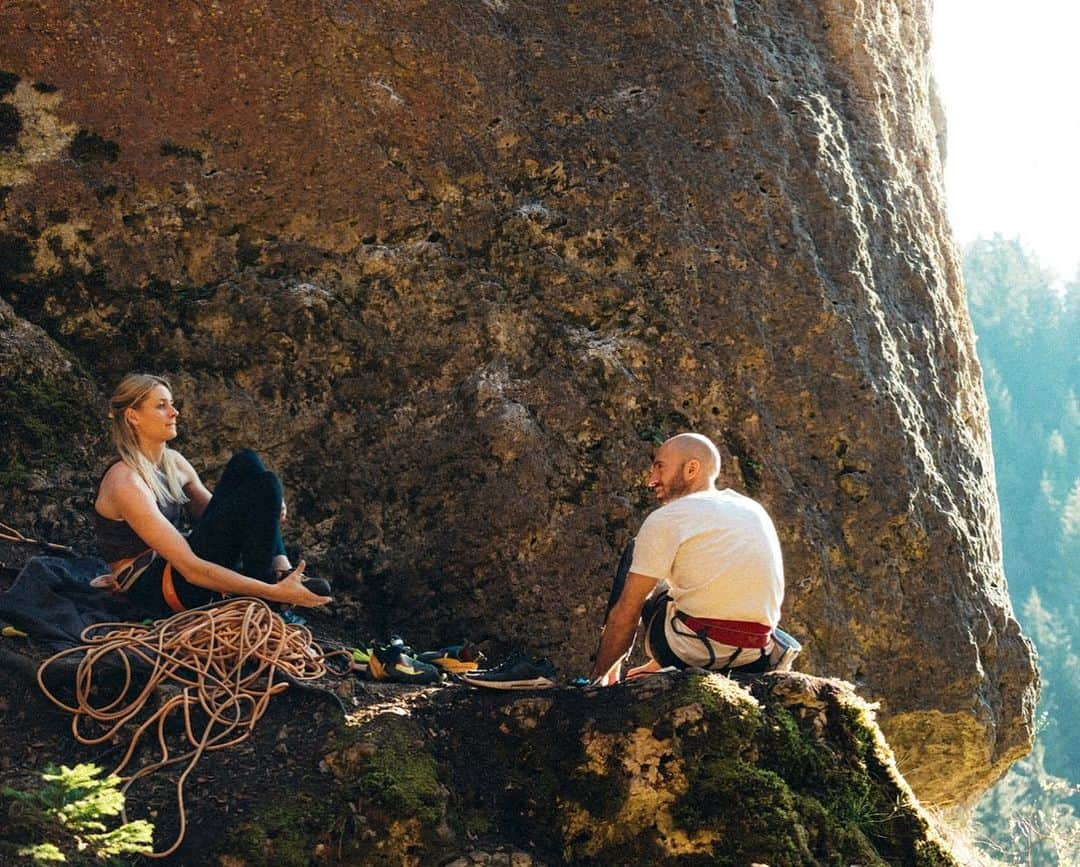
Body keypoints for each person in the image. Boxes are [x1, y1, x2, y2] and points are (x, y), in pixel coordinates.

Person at [92, 373, 331, 617]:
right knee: (266, 485)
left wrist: (265, 509)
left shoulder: (174, 463)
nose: (174, 412)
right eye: (161, 406)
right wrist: (274, 592)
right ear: (133, 417)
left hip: (175, 570)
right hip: (156, 590)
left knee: (247, 462)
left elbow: (219, 516)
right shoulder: (126, 482)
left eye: (172, 404)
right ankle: (267, 594)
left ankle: (282, 570)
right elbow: (191, 569)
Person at [588, 433, 784, 684]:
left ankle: (607, 677)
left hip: (693, 651)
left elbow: (627, 609)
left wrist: (595, 680)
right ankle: (658, 663)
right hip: (754, 656)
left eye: (660, 467)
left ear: (692, 469)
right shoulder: (752, 509)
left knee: (635, 562)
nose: (652, 480)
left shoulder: (668, 518)